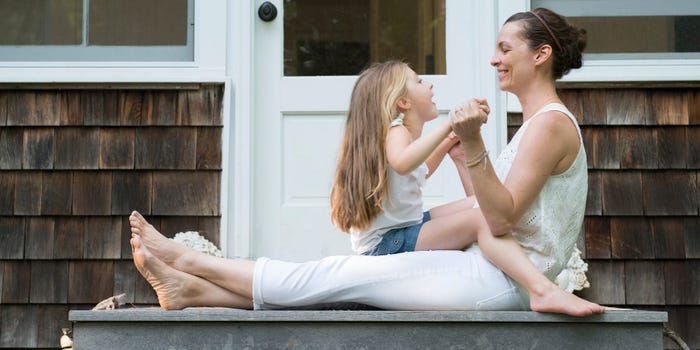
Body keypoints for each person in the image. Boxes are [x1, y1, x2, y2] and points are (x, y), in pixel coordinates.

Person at [128, 7, 606, 316]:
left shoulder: (548, 124)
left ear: (541, 55)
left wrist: (471, 145)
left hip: (501, 280)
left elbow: (498, 219)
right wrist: (465, 159)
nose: (494, 60)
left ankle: (187, 259)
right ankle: (195, 290)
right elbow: (494, 211)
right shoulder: (538, 124)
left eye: (505, 50)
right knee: (342, 285)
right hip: (490, 269)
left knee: (339, 278)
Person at [329, 60, 490, 256]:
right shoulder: (397, 130)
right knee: (482, 216)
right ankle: (530, 281)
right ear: (403, 102)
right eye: (420, 81)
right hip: (387, 242)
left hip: (399, 232)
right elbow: (404, 164)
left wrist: (452, 138)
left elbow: (416, 170)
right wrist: (451, 123)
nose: (429, 84)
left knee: (484, 203)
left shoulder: (395, 136)